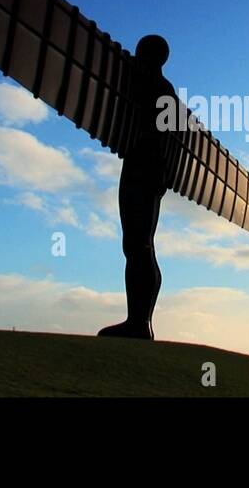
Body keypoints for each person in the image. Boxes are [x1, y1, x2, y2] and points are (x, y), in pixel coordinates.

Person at [97, 35, 177, 340]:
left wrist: (157, 170)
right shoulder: (160, 88)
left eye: (141, 51)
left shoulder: (154, 86)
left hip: (144, 168)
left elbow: (160, 135)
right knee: (139, 243)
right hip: (147, 167)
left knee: (139, 243)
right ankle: (140, 320)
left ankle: (139, 322)